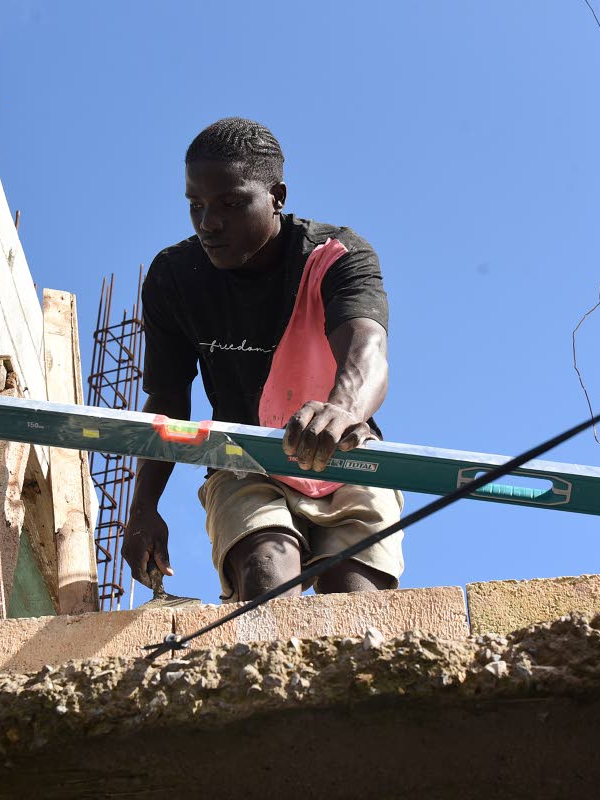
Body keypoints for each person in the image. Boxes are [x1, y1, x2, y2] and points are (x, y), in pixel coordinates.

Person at [122, 117, 403, 604]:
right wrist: (144, 505)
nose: (209, 223)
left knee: (357, 608)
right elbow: (167, 400)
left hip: (346, 456)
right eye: (196, 205)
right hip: (245, 460)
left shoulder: (335, 255)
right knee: (265, 574)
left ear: (277, 196)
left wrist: (343, 408)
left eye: (231, 203)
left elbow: (367, 350)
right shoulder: (174, 278)